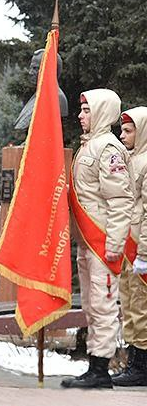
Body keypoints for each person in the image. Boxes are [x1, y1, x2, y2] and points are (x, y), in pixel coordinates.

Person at [62, 89, 134, 389]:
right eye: (81, 110)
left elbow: (120, 200)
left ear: (103, 111)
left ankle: (100, 369)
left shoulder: (108, 149)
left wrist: (115, 243)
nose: (80, 116)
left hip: (103, 242)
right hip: (87, 241)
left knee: (103, 304)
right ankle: (95, 364)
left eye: (87, 110)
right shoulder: (89, 146)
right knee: (92, 304)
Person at [114, 107, 147, 386]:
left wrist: (145, 253)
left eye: (128, 130)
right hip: (127, 243)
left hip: (140, 246)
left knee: (141, 306)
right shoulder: (130, 159)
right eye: (122, 130)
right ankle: (133, 362)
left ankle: (141, 367)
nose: (122, 135)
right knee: (129, 304)